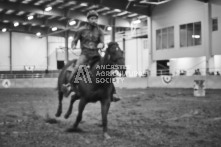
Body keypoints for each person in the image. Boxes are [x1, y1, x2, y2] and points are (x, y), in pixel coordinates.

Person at [62, 10, 120, 102]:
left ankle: (113, 92)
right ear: (88, 19)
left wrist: (101, 45)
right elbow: (75, 39)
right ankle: (69, 86)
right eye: (92, 19)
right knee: (78, 67)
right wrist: (73, 44)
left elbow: (102, 42)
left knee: (106, 70)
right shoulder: (81, 30)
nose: (94, 20)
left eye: (95, 19)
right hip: (84, 54)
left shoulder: (100, 31)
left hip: (96, 54)